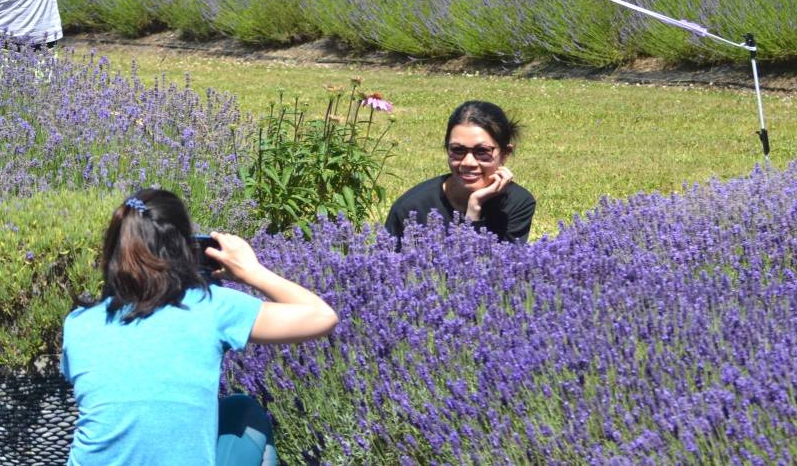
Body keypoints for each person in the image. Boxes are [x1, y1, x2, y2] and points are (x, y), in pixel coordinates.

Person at [61, 189, 338, 466]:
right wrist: (252, 273)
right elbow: (322, 316)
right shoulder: (211, 307)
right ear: (184, 249)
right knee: (243, 410)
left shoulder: (78, 325)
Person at [385, 100, 535, 247]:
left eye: (482, 151)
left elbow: (501, 268)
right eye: (458, 150)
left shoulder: (517, 203)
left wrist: (474, 206)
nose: (468, 162)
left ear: (505, 154)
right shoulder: (412, 207)